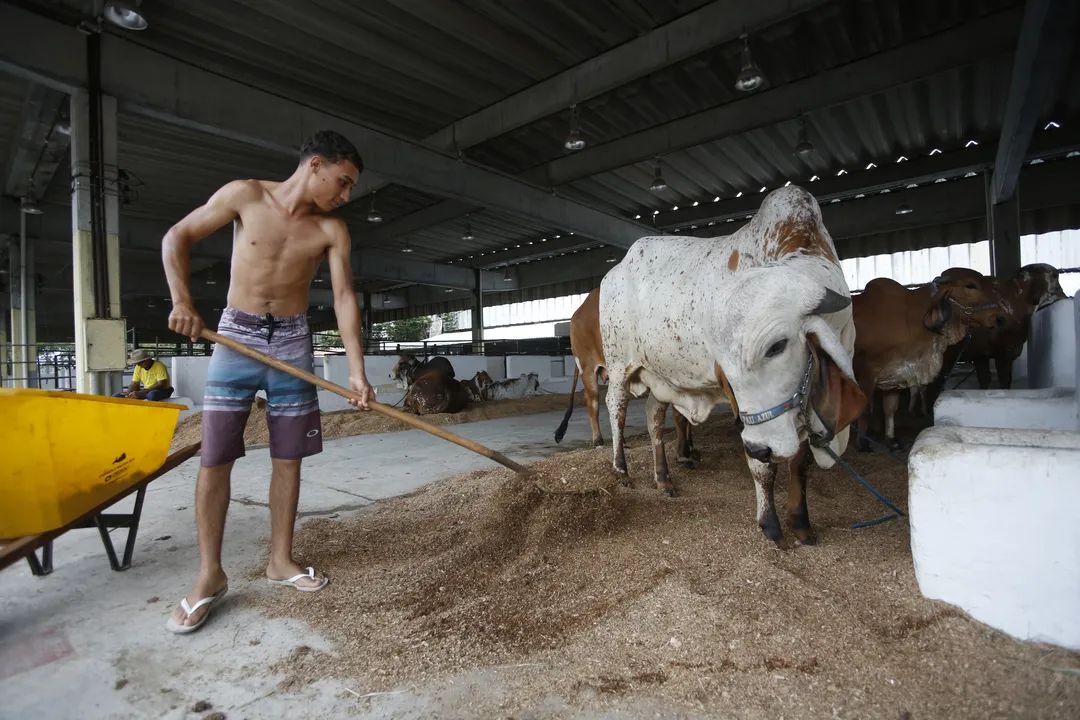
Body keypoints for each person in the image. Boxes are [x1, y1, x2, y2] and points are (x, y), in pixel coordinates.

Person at [161, 130, 375, 635]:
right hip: (236, 333)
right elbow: (177, 237)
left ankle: (281, 559)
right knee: (215, 457)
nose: (343, 196)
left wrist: (356, 370)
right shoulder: (246, 195)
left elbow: (344, 298)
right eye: (341, 183)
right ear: (316, 165)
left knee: (288, 457)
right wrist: (182, 301)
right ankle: (210, 575)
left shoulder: (332, 230)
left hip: (293, 343)